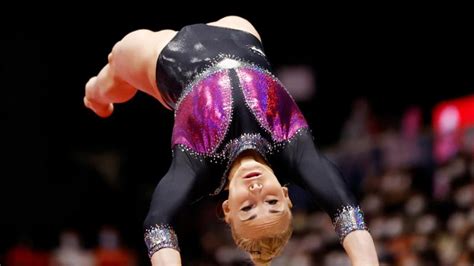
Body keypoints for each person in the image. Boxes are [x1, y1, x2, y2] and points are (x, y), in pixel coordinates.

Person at [84, 15, 379, 265]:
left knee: (110, 77)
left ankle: (95, 96)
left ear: (227, 209)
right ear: (287, 195)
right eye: (273, 201)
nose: (257, 190)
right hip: (240, 35)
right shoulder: (293, 149)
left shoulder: (199, 166)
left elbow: (158, 223)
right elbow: (348, 215)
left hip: (164, 56)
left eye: (247, 209)